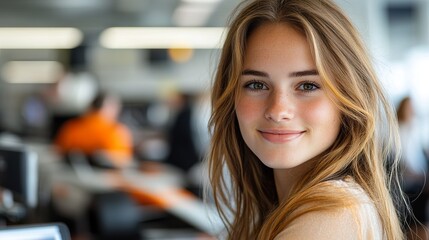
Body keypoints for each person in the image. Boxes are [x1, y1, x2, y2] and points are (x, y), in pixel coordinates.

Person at [206, 0, 407, 239]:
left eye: (307, 85)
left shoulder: (330, 216)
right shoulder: (301, 206)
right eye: (256, 84)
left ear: (349, 98)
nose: (278, 110)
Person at [55, 92, 133, 169]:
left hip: (69, 175)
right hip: (106, 178)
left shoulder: (71, 127)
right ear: (110, 108)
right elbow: (124, 161)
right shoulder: (116, 131)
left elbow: (58, 152)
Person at [397, 96, 429, 239]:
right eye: (409, 107)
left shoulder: (413, 130)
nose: (412, 110)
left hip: (419, 179)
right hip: (409, 184)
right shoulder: (399, 132)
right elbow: (403, 165)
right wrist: (422, 176)